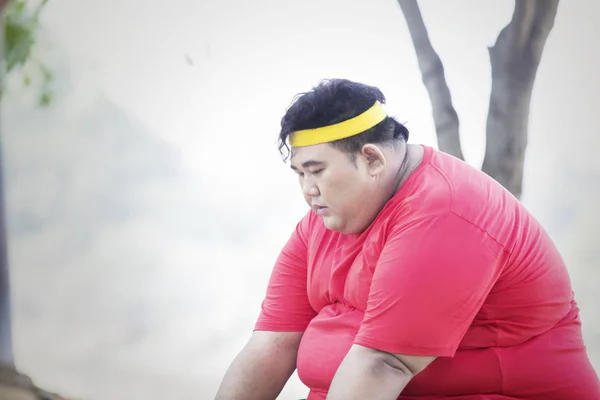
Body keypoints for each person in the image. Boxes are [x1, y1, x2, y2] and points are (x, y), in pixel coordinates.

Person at [214, 79, 600, 400]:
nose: (308, 190)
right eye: (300, 174)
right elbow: (272, 345)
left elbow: (382, 365)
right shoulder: (324, 222)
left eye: (316, 171)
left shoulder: (446, 213)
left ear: (373, 160)